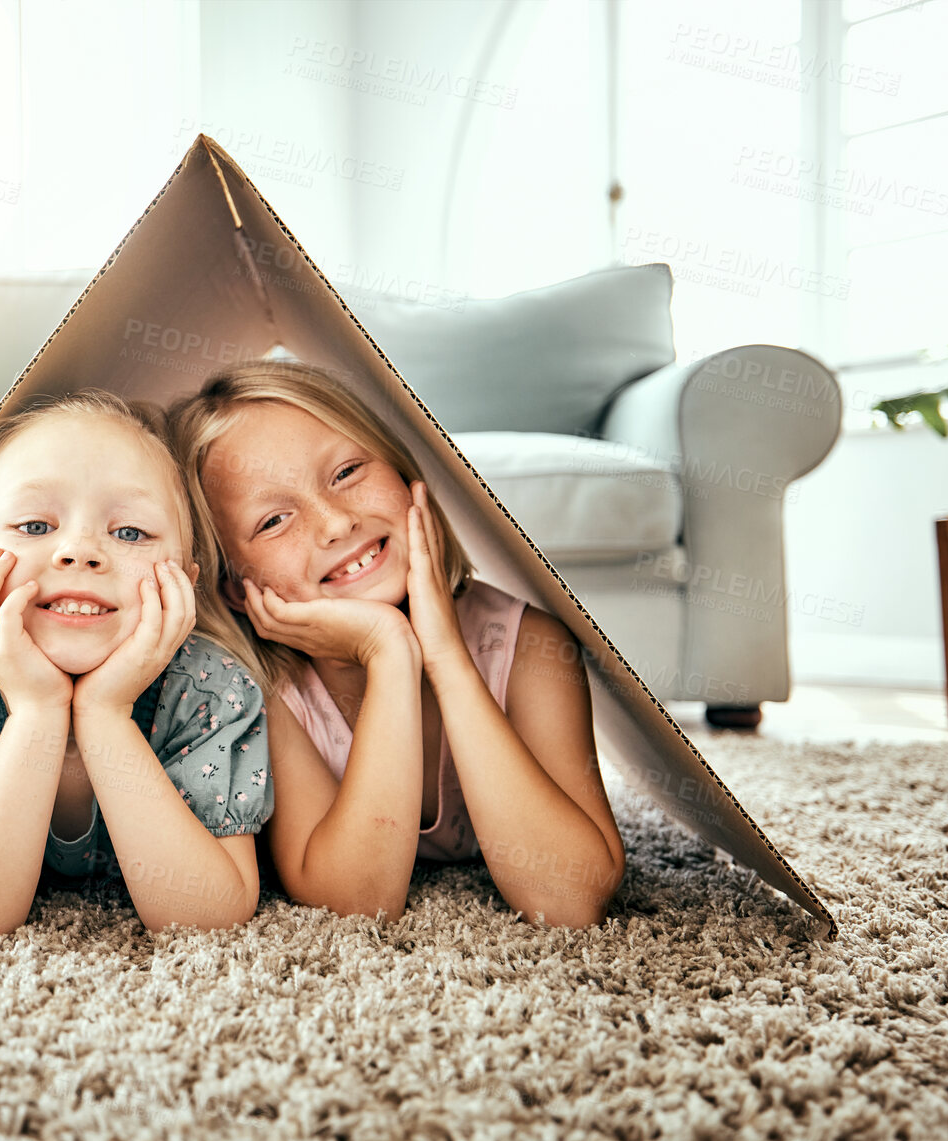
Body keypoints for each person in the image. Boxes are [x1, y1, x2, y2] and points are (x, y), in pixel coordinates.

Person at [166, 360, 625, 928]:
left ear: (405, 473)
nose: (335, 523)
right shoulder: (262, 693)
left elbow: (570, 899)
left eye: (347, 472)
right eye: (275, 519)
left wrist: (446, 656)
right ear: (236, 586)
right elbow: (360, 901)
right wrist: (389, 651)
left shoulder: (529, 647)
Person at [0, 391, 271, 945]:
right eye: (32, 526)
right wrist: (36, 708)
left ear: (184, 583)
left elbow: (207, 916)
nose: (79, 551)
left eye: (129, 533)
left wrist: (107, 712)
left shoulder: (211, 691)